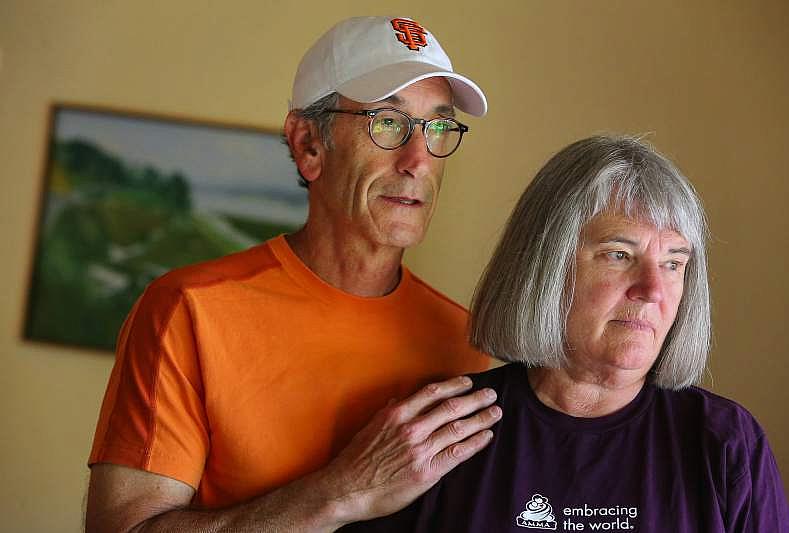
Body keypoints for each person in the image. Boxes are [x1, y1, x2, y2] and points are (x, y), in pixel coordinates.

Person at [85, 16, 503, 532]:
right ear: (308, 144)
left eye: (438, 127)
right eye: (387, 123)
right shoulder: (188, 309)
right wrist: (338, 494)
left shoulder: (466, 345)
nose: (417, 160)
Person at [347, 135, 789, 532]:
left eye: (673, 264)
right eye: (619, 255)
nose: (653, 290)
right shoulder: (439, 431)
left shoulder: (724, 440)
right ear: (544, 265)